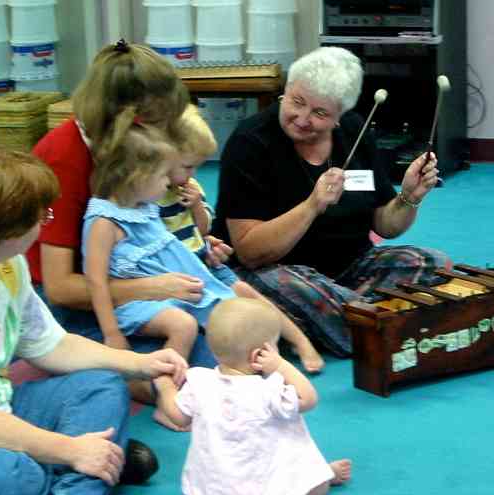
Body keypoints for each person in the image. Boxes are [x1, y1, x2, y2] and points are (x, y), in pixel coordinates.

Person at [0, 149, 188, 495]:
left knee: (102, 385)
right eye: (42, 214)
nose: (46, 221)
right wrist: (69, 450)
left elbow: (51, 345)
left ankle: (71, 489)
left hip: (4, 405)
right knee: (14, 477)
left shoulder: (9, 268)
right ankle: (78, 467)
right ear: (7, 225)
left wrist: (140, 363)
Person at [212, 46, 451, 358]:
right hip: (274, 271)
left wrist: (409, 197)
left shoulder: (356, 130)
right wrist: (312, 205)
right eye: (297, 102)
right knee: (290, 285)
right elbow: (250, 252)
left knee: (433, 265)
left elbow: (385, 225)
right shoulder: (250, 142)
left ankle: (335, 317)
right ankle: (376, 324)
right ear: (286, 90)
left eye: (320, 113)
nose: (302, 119)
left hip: (349, 268)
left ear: (340, 117)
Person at [26, 39, 216, 404]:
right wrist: (153, 287)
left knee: (217, 341)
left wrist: (187, 243)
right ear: (134, 119)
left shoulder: (127, 148)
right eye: (162, 123)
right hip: (63, 301)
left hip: (120, 279)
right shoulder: (64, 157)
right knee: (174, 367)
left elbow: (142, 225)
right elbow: (60, 288)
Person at [82, 123, 236, 430]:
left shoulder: (144, 207)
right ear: (137, 178)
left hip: (163, 296)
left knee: (226, 321)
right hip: (129, 307)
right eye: (163, 176)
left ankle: (167, 383)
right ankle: (169, 394)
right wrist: (111, 333)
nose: (169, 183)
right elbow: (96, 281)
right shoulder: (103, 221)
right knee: (183, 323)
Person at [158, 104, 324, 372]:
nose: (192, 176)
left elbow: (201, 229)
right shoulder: (150, 194)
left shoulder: (190, 188)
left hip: (204, 261)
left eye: (197, 168)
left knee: (247, 294)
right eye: (187, 167)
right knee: (224, 315)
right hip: (178, 271)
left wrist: (197, 205)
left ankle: (299, 340)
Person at [155, 297, 352, 495]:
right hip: (266, 491)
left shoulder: (199, 381)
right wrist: (280, 365)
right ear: (259, 354)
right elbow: (309, 399)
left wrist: (165, 387)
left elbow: (179, 417)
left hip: (212, 492)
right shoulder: (267, 389)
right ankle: (324, 475)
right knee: (317, 489)